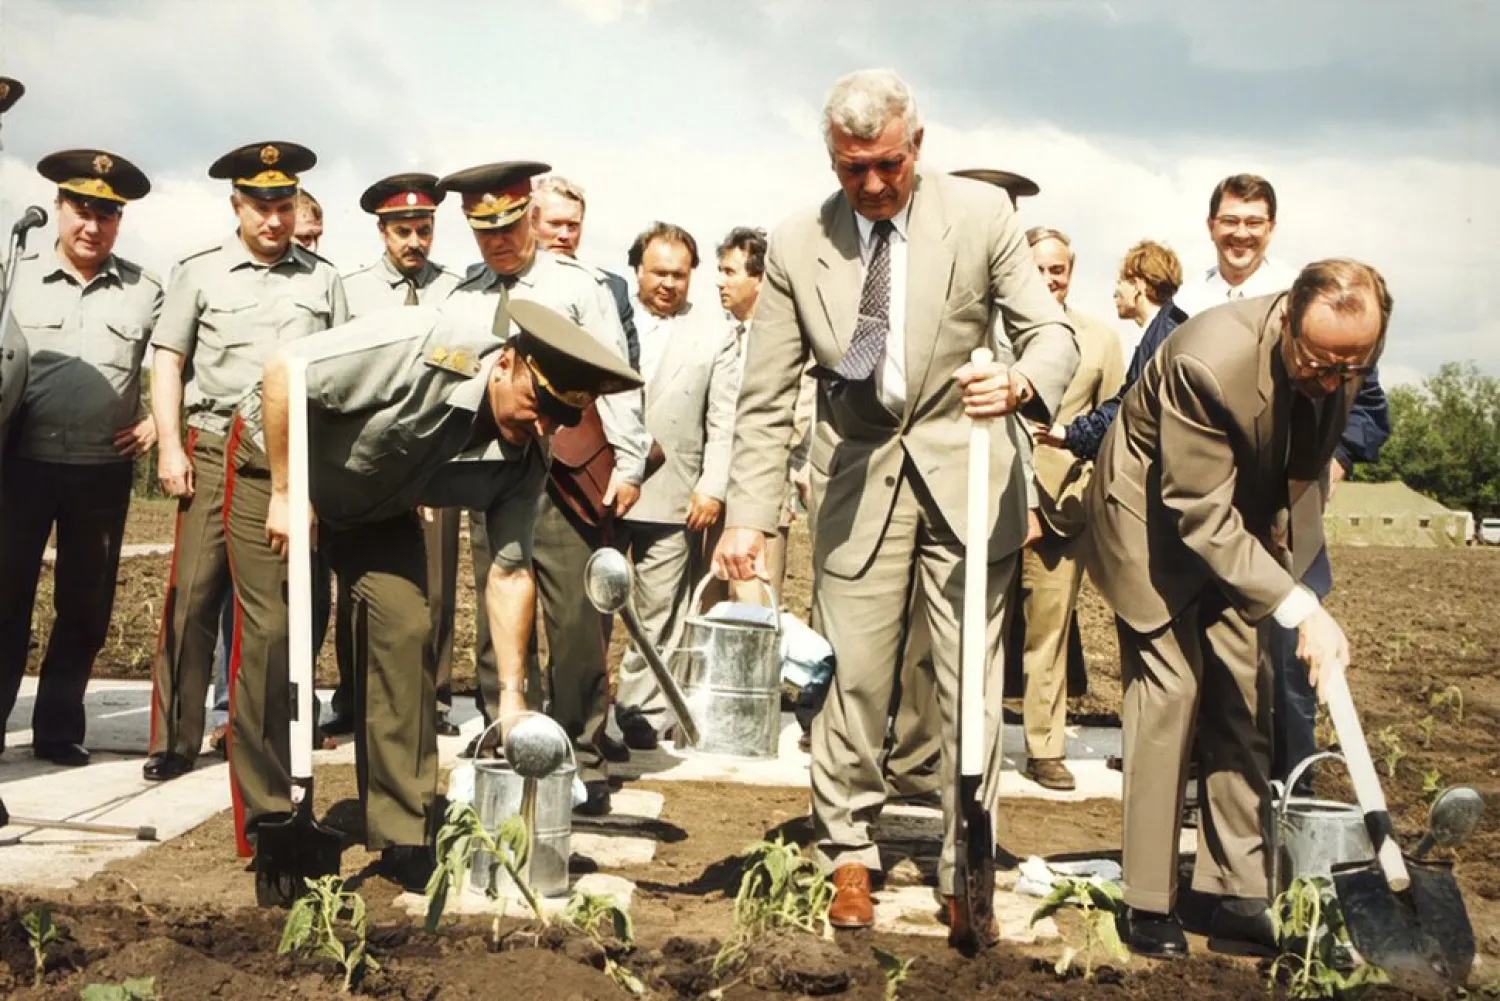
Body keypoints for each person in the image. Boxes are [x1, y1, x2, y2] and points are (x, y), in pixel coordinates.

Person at [714, 68, 1078, 943]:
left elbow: (1051, 334)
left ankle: (968, 857)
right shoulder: (799, 243)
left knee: (971, 687)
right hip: (855, 480)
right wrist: (745, 513)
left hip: (969, 476)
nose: (872, 185)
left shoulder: (982, 217)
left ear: (918, 145)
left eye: (886, 165)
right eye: (851, 170)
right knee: (853, 681)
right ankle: (847, 849)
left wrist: (1022, 379)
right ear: (831, 159)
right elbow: (766, 398)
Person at [253, 296, 643, 889]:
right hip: (278, 467)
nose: (541, 428)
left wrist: (512, 701)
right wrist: (286, 489)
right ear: (508, 362)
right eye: (538, 406)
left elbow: (510, 573)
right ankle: (274, 820)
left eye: (558, 422)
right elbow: (285, 369)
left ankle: (404, 831)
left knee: (407, 630)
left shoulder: (526, 459)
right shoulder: (424, 346)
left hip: (375, 510)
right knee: (273, 638)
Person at [1084, 259, 1390, 958]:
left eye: (1351, 367)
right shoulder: (1207, 360)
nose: (1333, 379)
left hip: (1237, 519)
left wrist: (1299, 580)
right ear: (1287, 322)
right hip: (1148, 518)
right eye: (1319, 364)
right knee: (1174, 689)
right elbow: (1196, 512)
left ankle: (1234, 891)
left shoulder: (1342, 355)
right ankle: (1148, 898)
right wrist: (1294, 605)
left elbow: (1307, 468)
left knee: (1244, 693)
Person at [441, 161, 651, 814]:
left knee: (575, 620)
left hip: (563, 472)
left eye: (507, 226)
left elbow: (613, 373)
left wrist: (631, 462)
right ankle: (509, 738)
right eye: (483, 232)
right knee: (499, 619)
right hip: (488, 468)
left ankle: (581, 754)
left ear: (530, 216)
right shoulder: (464, 294)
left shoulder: (577, 287)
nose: (497, 242)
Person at [146, 142, 346, 784]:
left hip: (288, 459)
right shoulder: (198, 273)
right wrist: (172, 447)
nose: (273, 220)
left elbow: (340, 373)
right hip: (211, 447)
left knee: (278, 605)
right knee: (193, 596)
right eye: (260, 206)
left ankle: (262, 732)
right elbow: (168, 361)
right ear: (237, 206)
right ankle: (175, 738)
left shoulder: (323, 279)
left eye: (284, 205)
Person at [883, 166, 1044, 800]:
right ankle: (907, 761)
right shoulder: (923, 274)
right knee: (910, 653)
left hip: (984, 490)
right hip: (907, 487)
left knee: (971, 664)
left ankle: (967, 816)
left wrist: (1025, 495)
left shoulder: (1022, 304)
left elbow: (1026, 414)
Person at [0, 149, 161, 766]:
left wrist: (156, 421)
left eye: (107, 215)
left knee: (86, 603)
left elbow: (184, 361)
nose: (92, 227)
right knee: (6, 595)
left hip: (101, 470)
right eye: (82, 211)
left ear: (119, 221)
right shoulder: (15, 279)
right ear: (60, 210)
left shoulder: (145, 290)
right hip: (22, 465)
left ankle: (59, 727)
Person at [339, 172, 463, 738]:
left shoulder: (457, 291)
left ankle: (430, 694)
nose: (415, 242)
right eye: (403, 231)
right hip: (369, 456)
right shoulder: (351, 289)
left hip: (435, 450)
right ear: (382, 232)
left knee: (434, 582)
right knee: (360, 578)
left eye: (424, 229)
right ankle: (353, 692)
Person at [612, 222, 739, 748]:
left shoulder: (716, 333)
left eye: (680, 275)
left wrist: (711, 487)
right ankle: (583, 708)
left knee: (657, 612)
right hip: (604, 488)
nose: (669, 284)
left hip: (675, 494)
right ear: (637, 270)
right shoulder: (608, 321)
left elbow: (725, 418)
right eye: (659, 273)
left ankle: (639, 710)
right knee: (589, 607)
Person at [1011, 226, 1124, 791]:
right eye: (1038, 267)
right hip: (989, 505)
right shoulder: (991, 329)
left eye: (1059, 268)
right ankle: (957, 745)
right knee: (971, 633)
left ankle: (1044, 748)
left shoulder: (1100, 340)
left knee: (1049, 637)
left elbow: (1116, 427)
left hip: (1062, 513)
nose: (1050, 278)